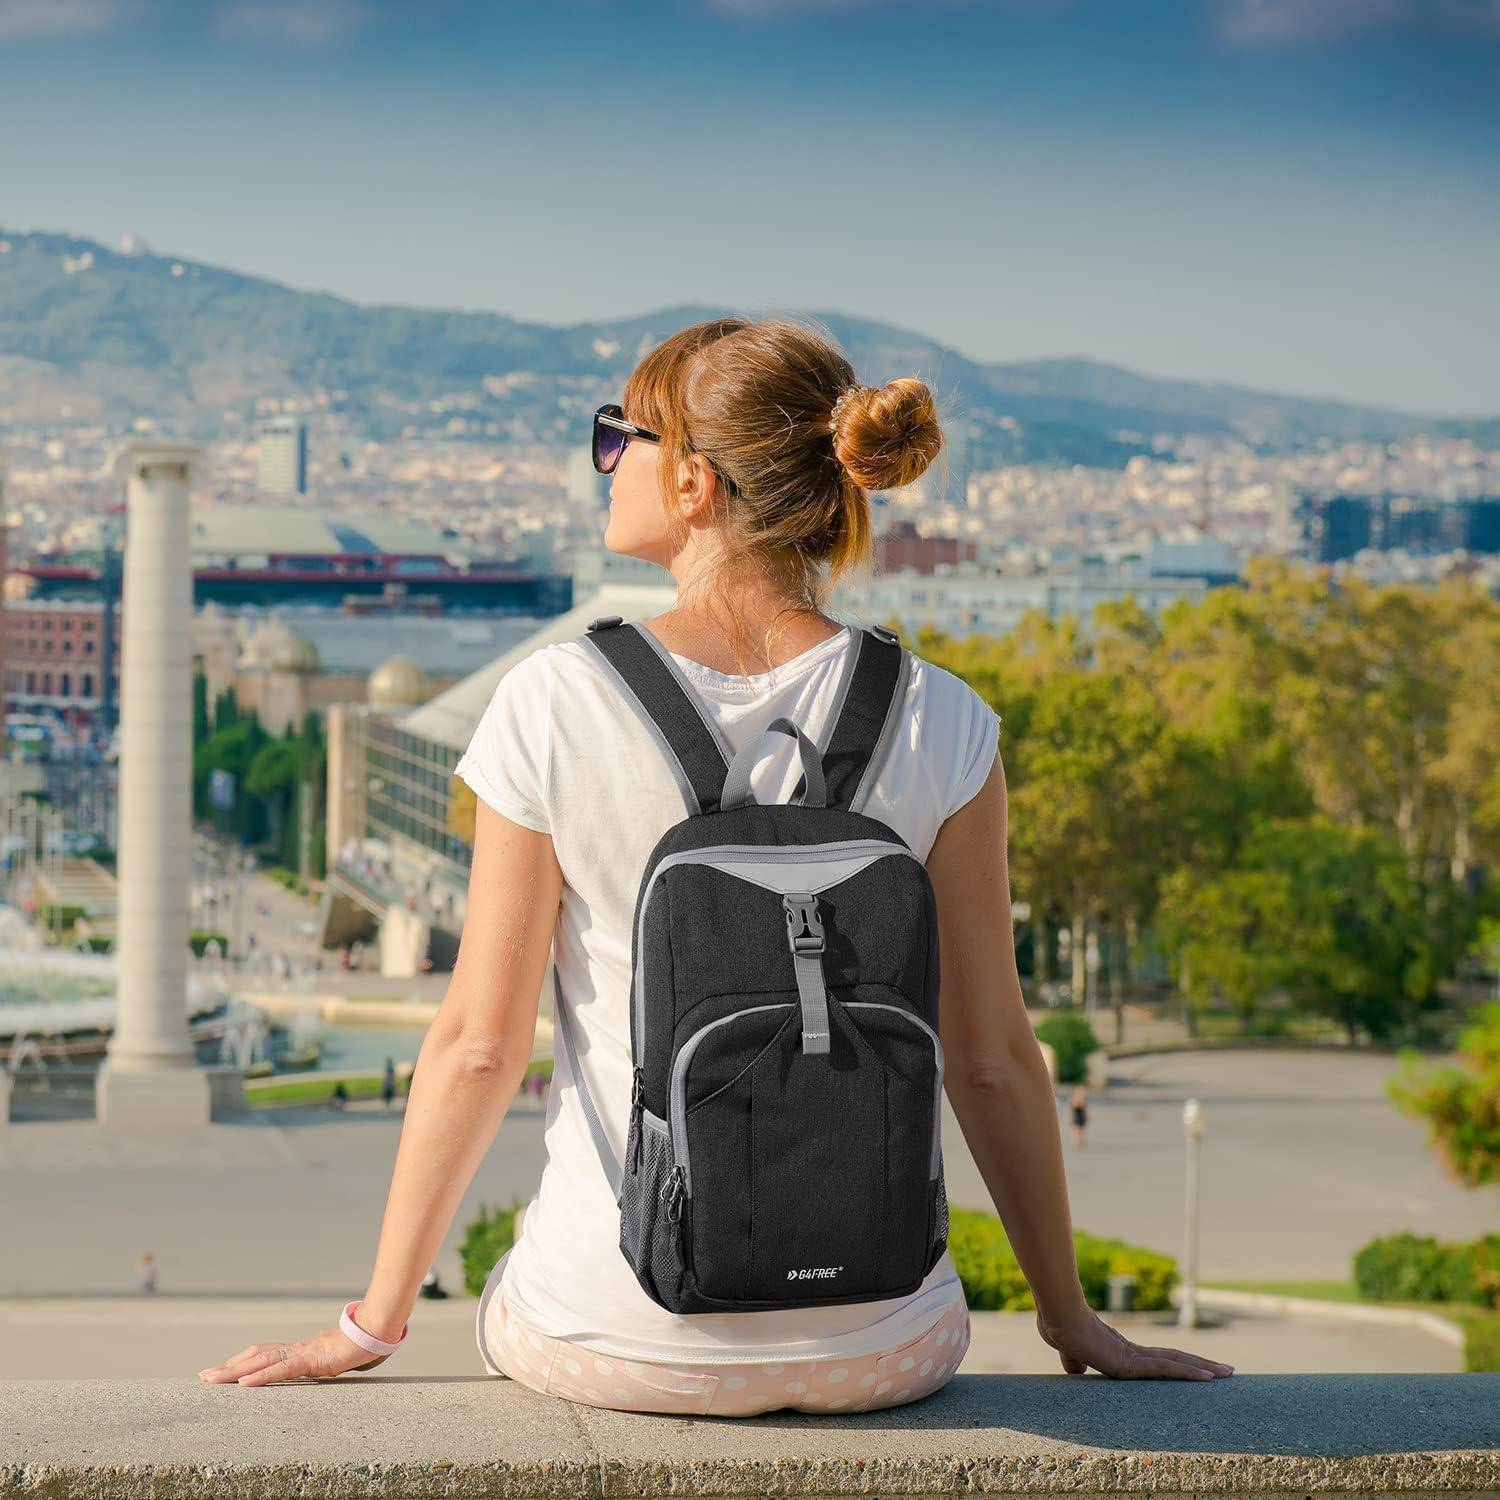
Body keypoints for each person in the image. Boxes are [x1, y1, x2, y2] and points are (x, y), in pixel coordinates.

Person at [196, 317, 1233, 1403]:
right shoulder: (944, 717)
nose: (606, 463)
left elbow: (477, 1048)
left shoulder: (555, 703)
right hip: (888, 1346)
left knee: (516, 1293)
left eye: (620, 437)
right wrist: (1070, 1319)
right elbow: (992, 1058)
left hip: (623, 1339)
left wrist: (370, 1324)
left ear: (692, 482)